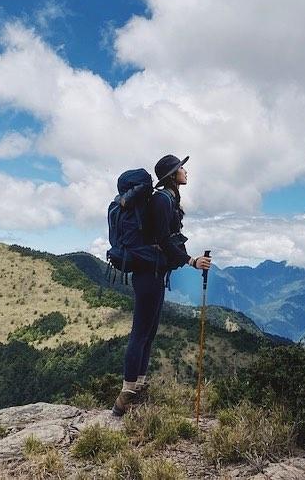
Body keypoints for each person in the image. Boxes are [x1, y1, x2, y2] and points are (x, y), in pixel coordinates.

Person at [112, 154, 212, 417]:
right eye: (181, 168)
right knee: (140, 332)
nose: (185, 171)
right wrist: (191, 261)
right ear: (171, 175)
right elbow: (164, 239)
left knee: (149, 331)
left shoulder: (167, 198)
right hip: (148, 274)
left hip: (154, 272)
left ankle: (138, 388)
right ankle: (124, 396)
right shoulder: (161, 201)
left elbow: (167, 239)